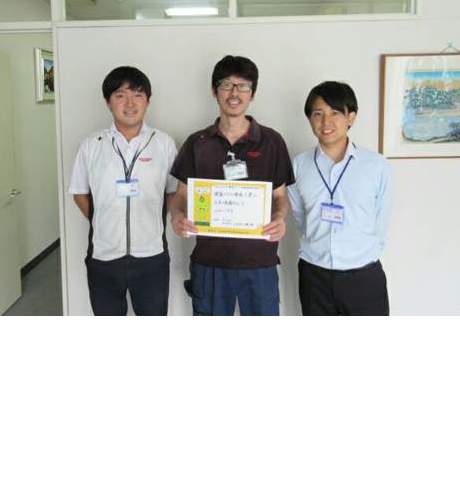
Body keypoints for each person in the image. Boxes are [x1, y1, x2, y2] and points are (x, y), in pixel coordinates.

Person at [168, 55, 294, 315]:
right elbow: (181, 195)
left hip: (260, 263)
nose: (234, 93)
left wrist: (280, 218)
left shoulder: (272, 142)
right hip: (210, 263)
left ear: (252, 93)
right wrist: (177, 215)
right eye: (226, 85)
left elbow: (280, 197)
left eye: (243, 86)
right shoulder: (197, 143)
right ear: (214, 91)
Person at [68, 66, 178, 315]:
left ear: (147, 101)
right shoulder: (91, 145)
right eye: (120, 95)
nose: (130, 103)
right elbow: (79, 193)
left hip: (151, 256)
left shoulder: (163, 143)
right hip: (103, 256)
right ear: (108, 102)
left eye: (137, 95)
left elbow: (173, 192)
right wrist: (104, 220)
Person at [287, 81, 392, 315]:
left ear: (351, 117)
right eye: (318, 114)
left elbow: (380, 220)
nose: (326, 121)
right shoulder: (298, 165)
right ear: (310, 119)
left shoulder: (376, 166)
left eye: (335, 112)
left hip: (363, 277)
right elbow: (300, 217)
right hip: (315, 276)